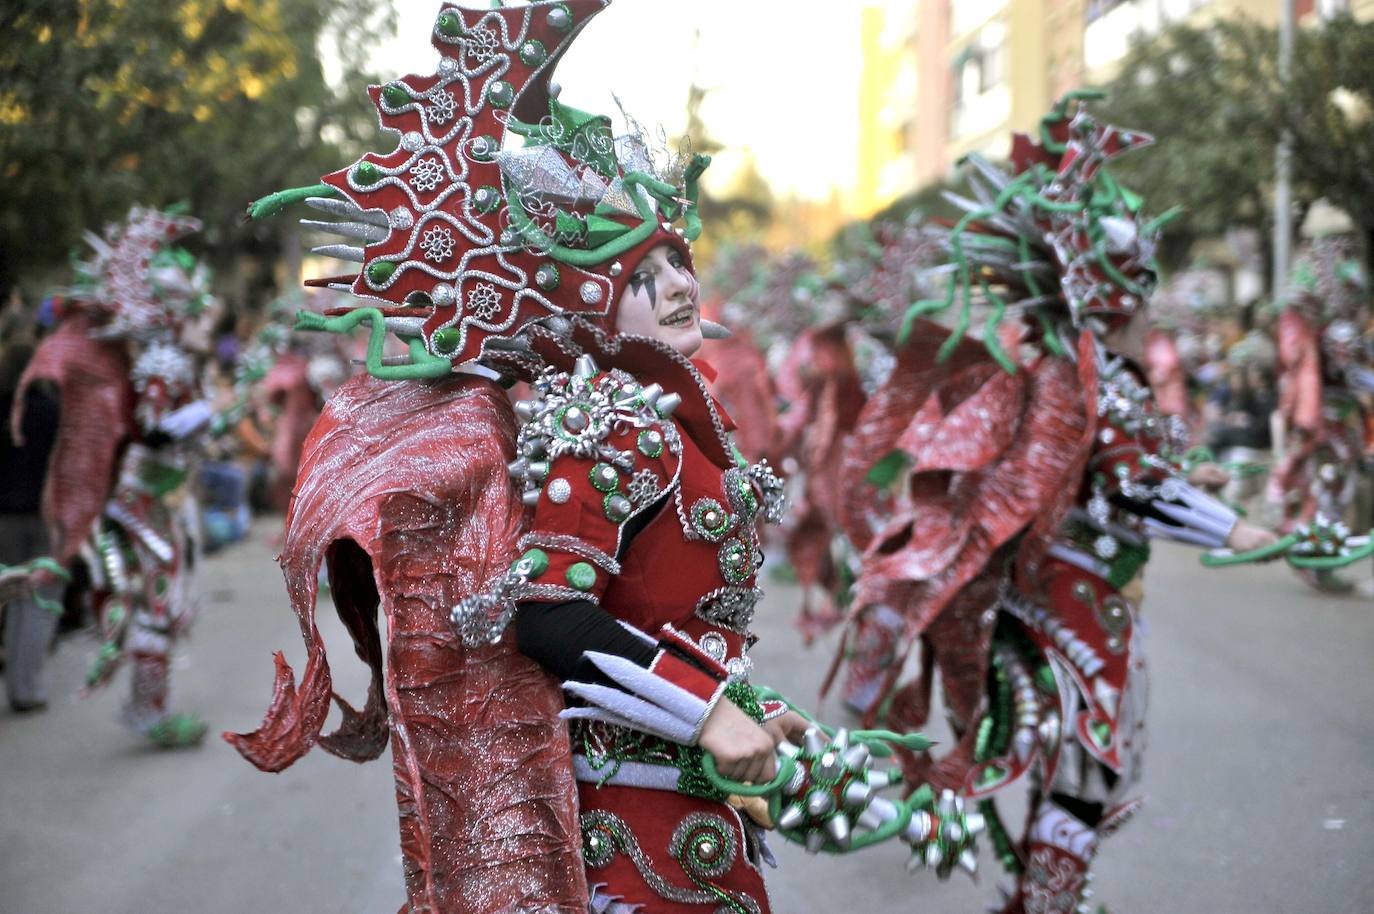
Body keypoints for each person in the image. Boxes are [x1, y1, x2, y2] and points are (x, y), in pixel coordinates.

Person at [228, 3, 978, 911]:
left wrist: (745, 705)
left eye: (678, 262)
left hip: (680, 822)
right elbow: (547, 617)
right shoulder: (615, 422)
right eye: (640, 280)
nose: (678, 287)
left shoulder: (670, 417)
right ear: (591, 312)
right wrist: (708, 709)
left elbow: (662, 615)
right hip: (631, 833)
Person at [831, 93, 1280, 913]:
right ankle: (1047, 904)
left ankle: (1044, 899)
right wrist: (1236, 525)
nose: (1150, 297)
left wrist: (1201, 480)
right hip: (1073, 602)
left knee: (1078, 772)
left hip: (1077, 596)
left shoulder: (1092, 369)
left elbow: (1123, 463)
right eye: (1141, 279)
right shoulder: (1078, 374)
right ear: (1114, 290)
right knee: (1084, 773)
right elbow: (1130, 482)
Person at [13, 207, 218, 747]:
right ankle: (147, 710)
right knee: (159, 601)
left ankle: (149, 704)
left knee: (164, 600)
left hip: (158, 497)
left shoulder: (174, 361)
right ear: (173, 313)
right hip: (143, 499)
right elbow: (153, 432)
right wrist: (201, 417)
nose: (207, 318)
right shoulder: (164, 363)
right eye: (195, 309)